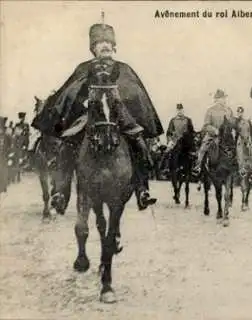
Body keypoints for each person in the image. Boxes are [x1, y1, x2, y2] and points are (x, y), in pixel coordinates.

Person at [31, 15, 164, 211]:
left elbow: (136, 94)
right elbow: (70, 93)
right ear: (93, 47)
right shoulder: (84, 68)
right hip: (89, 115)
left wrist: (121, 103)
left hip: (120, 115)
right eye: (101, 42)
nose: (105, 46)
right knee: (67, 145)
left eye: (108, 42)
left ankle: (142, 190)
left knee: (140, 145)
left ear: (114, 46)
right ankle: (60, 191)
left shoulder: (124, 69)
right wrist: (82, 102)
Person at [192, 89, 234, 176]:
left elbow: (232, 122)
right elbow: (206, 125)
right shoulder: (210, 110)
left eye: (224, 98)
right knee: (202, 149)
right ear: (217, 99)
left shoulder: (228, 110)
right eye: (222, 98)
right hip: (212, 136)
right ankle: (198, 167)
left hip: (225, 137)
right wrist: (215, 130)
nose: (224, 100)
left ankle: (236, 169)